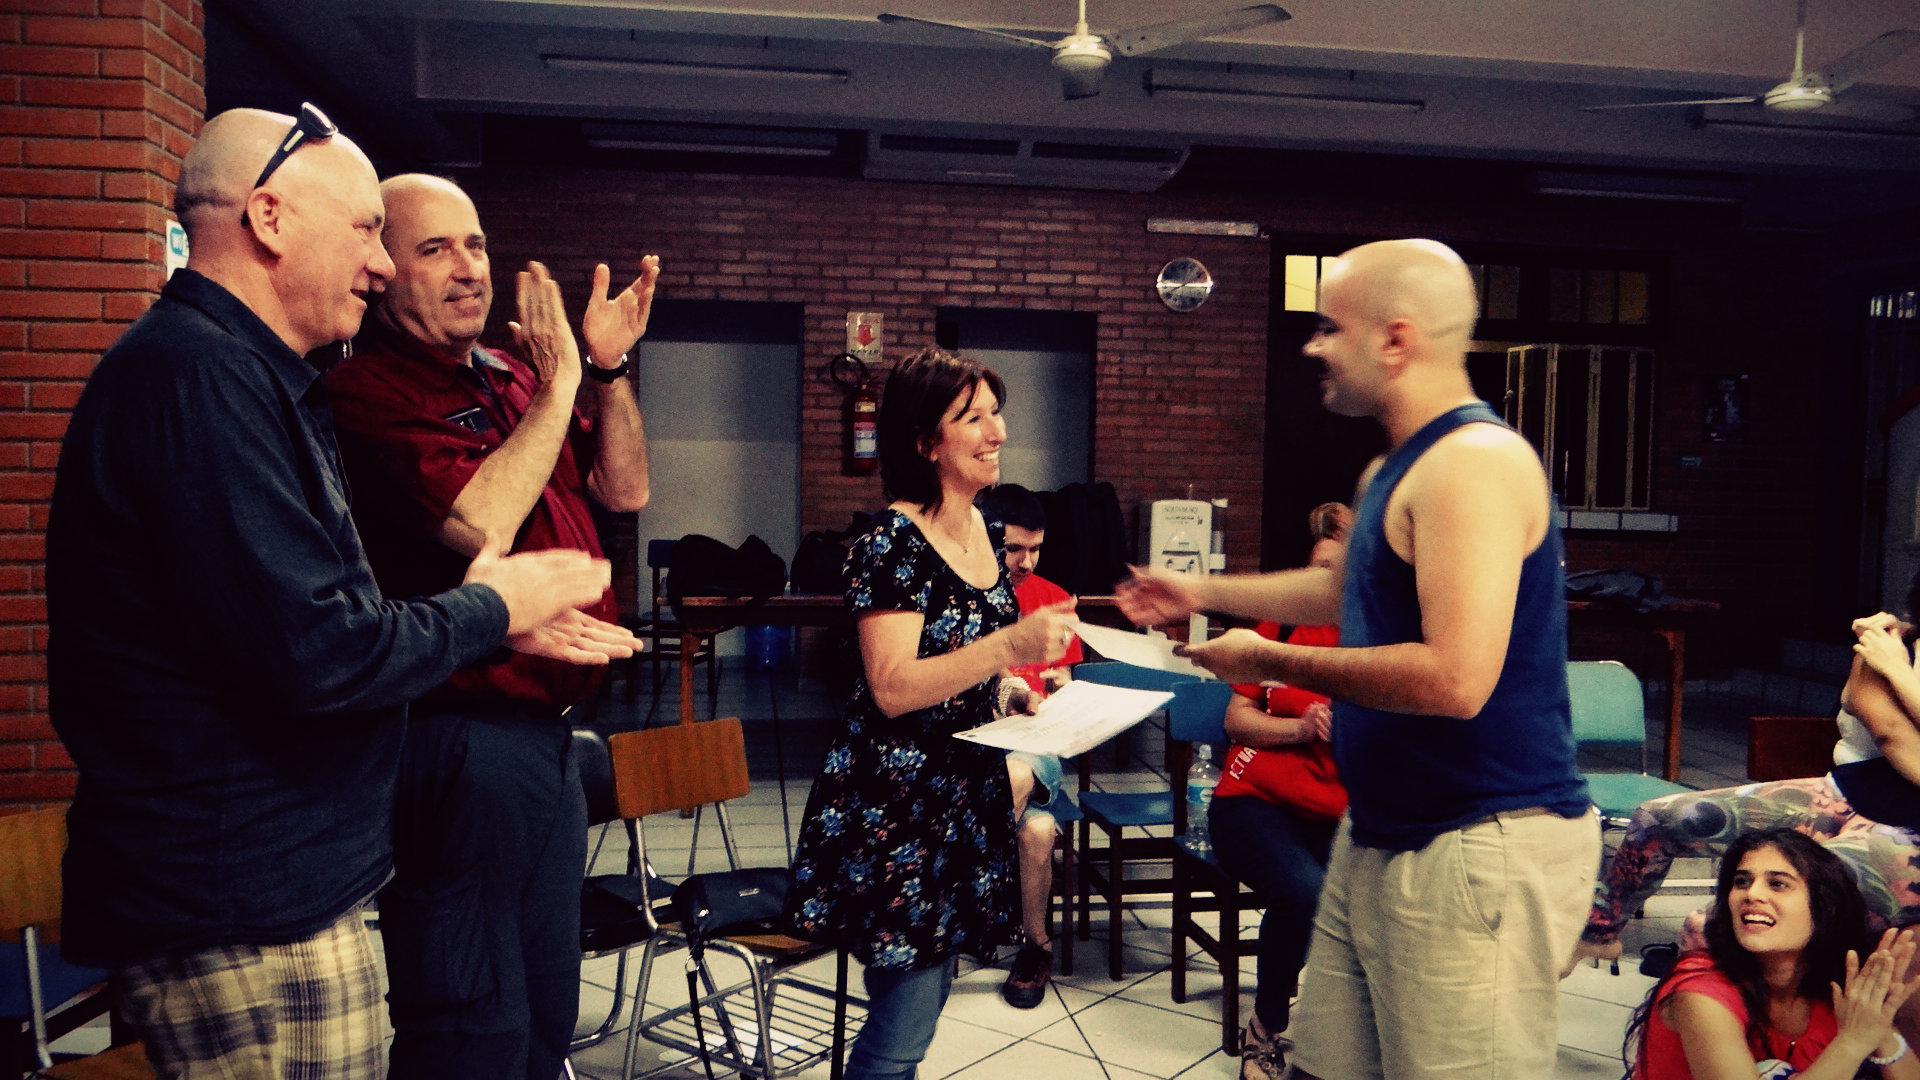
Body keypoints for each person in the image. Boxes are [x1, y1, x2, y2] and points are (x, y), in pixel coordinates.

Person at [45, 106, 623, 1080]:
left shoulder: (252, 376)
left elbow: (308, 620)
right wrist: (493, 609)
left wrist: (494, 626)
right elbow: (316, 649)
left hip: (282, 883)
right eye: (367, 231)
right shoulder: (201, 377)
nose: (381, 265)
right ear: (269, 218)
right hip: (242, 900)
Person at [1116, 238, 1599, 1079]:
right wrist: (1203, 592)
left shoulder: (1474, 465)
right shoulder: (1393, 470)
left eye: (1330, 328)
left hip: (1477, 839)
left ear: (1395, 339)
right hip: (1378, 831)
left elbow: (1455, 679)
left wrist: (1268, 658)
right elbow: (1346, 592)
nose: (1314, 347)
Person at [321, 173, 653, 1080]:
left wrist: (605, 372)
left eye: (475, 244)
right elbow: (481, 521)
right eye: (435, 249)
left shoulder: (512, 376)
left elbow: (625, 488)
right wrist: (563, 383)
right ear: (383, 268)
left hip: (546, 738)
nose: (469, 268)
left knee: (545, 1015)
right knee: (473, 1026)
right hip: (453, 736)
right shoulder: (367, 391)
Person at [787, 348, 1077, 1080]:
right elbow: (891, 687)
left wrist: (1009, 691)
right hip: (898, 808)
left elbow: (965, 661)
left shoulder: (982, 528)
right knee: (904, 1025)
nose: (997, 432)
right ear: (925, 443)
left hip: (963, 796)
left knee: (922, 997)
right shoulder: (891, 543)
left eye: (996, 413)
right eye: (972, 418)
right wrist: (1010, 646)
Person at [1570, 572, 1920, 977]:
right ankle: (1599, 933)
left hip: (1911, 828)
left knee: (1713, 923)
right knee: (1657, 818)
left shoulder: (1892, 658)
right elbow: (1888, 730)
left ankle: (1723, 991)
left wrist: (1900, 674)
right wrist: (1894, 664)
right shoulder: (1887, 641)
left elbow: (1897, 740)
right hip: (1844, 794)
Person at [1208, 502, 1349, 1080]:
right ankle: (1264, 1029)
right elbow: (1236, 720)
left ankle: (1348, 1033)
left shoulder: (1384, 641)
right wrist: (1300, 729)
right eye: (1315, 569)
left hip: (1339, 812)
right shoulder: (1281, 628)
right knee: (1302, 892)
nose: (1320, 584)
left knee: (1379, 899)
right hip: (1252, 801)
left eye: (1333, 572)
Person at [1625, 828, 1920, 1080]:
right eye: (1741, 881)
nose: (1751, 894)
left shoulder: (1836, 988)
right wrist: (1853, 1042)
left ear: (1824, 906)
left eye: (1777, 884)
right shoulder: (1700, 992)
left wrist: (1879, 1029)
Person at [977, 482, 1083, 1009]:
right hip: (976, 746)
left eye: (1035, 549)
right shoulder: (968, 597)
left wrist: (1061, 689)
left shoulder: (1054, 599)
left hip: (1034, 748)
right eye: (1013, 549)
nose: (1025, 561)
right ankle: (1035, 946)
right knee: (1038, 831)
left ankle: (968, 897)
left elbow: (1064, 681)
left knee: (1017, 774)